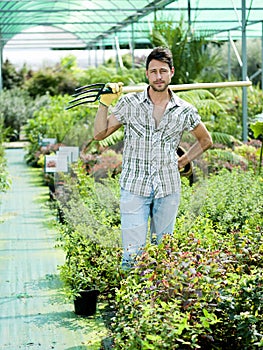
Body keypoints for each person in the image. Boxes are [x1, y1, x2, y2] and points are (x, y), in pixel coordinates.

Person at [94, 46, 212, 268]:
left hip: (168, 188)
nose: (158, 76)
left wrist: (184, 161)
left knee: (163, 252)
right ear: (147, 74)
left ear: (171, 72)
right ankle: (131, 300)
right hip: (134, 188)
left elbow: (206, 140)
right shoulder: (129, 104)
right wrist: (104, 104)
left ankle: (157, 300)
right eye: (153, 71)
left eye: (163, 71)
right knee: (132, 254)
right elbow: (99, 134)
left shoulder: (184, 110)